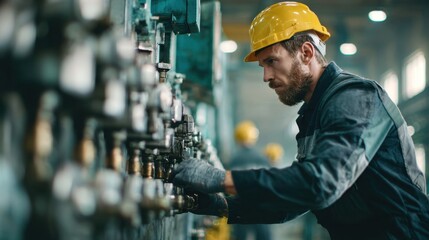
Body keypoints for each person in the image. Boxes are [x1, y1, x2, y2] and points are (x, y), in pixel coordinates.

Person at [172, 2, 429, 239]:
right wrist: (225, 205)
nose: (266, 76)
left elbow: (320, 183)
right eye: (262, 65)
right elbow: (298, 197)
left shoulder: (354, 97)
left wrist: (223, 179)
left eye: (271, 61)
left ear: (306, 52)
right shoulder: (314, 113)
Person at [228, 121, 272, 240]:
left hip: (240, 204)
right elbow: (269, 182)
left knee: (240, 236)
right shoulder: (262, 158)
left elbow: (229, 183)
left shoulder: (233, 160)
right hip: (260, 204)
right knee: (263, 235)